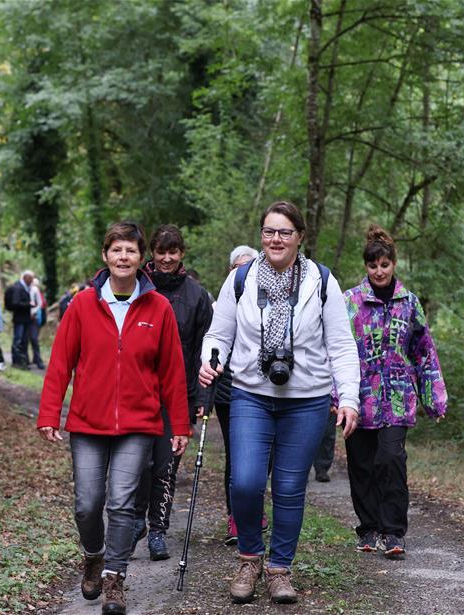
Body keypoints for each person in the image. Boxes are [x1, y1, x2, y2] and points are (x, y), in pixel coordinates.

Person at [199, 202, 360, 605]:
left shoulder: (321, 282)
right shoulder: (240, 280)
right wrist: (210, 361)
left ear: (300, 237)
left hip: (306, 401)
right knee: (247, 481)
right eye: (269, 231)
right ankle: (249, 559)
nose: (275, 239)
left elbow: (341, 346)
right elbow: (219, 333)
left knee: (289, 487)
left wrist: (350, 398)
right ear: (261, 235)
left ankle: (279, 570)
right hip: (251, 394)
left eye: (285, 232)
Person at [37, 221, 190, 615]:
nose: (124, 257)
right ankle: (93, 555)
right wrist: (49, 413)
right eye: (117, 250)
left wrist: (180, 425)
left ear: (143, 260)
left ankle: (114, 579)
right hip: (88, 423)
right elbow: (60, 364)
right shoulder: (83, 305)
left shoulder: (158, 309)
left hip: (138, 426)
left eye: (131, 251)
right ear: (105, 256)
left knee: (123, 504)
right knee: (88, 505)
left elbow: (173, 370)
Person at [338, 224, 447, 558]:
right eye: (373, 266)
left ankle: (394, 532)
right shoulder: (350, 301)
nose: (379, 271)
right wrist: (335, 396)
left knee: (391, 460)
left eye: (384, 265)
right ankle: (369, 529)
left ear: (393, 264)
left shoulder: (408, 302)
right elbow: (336, 349)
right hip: (359, 397)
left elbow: (424, 350)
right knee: (361, 463)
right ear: (366, 266)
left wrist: (434, 397)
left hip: (398, 398)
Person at [132, 225, 213, 561]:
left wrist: (201, 399)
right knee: (136, 461)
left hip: (177, 393)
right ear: (152, 252)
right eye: (161, 252)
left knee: (166, 465)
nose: (167, 258)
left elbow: (204, 353)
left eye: (173, 252)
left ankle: (158, 530)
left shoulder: (196, 296)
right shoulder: (136, 287)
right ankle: (135, 519)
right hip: (137, 389)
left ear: (182, 253)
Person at [208, 244, 268, 546]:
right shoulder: (220, 305)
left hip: (262, 390)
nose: (243, 270)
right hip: (228, 391)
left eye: (249, 264)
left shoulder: (265, 301)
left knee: (263, 457)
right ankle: (237, 516)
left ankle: (253, 508)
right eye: (238, 266)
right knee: (238, 455)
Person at [4, 270, 35, 369]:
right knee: (18, 340)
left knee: (24, 341)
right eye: (30, 278)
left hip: (25, 319)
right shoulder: (18, 287)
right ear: (25, 277)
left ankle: (22, 362)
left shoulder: (25, 288)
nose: (32, 280)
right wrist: (28, 305)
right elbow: (15, 303)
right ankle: (16, 362)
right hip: (19, 319)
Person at [28, 278, 46, 369]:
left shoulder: (36, 292)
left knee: (34, 339)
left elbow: (40, 305)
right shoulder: (29, 290)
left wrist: (33, 313)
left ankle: (38, 360)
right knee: (31, 339)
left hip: (35, 318)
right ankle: (33, 359)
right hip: (30, 319)